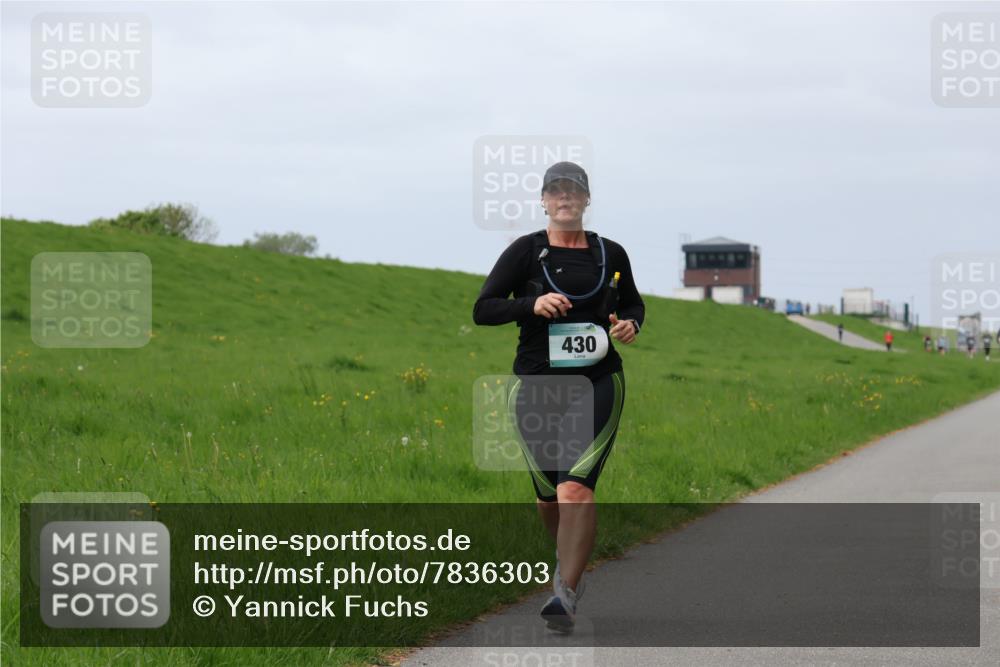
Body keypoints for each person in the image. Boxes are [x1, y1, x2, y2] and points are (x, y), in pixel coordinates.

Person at [473, 161, 644, 633]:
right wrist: (531, 304)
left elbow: (632, 302)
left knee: (575, 489)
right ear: (544, 201)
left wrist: (631, 323)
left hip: (597, 382)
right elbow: (483, 308)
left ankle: (565, 592)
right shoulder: (525, 252)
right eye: (556, 192)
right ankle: (565, 560)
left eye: (574, 191)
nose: (565, 198)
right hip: (537, 385)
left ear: (587, 199)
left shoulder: (612, 254)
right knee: (550, 499)